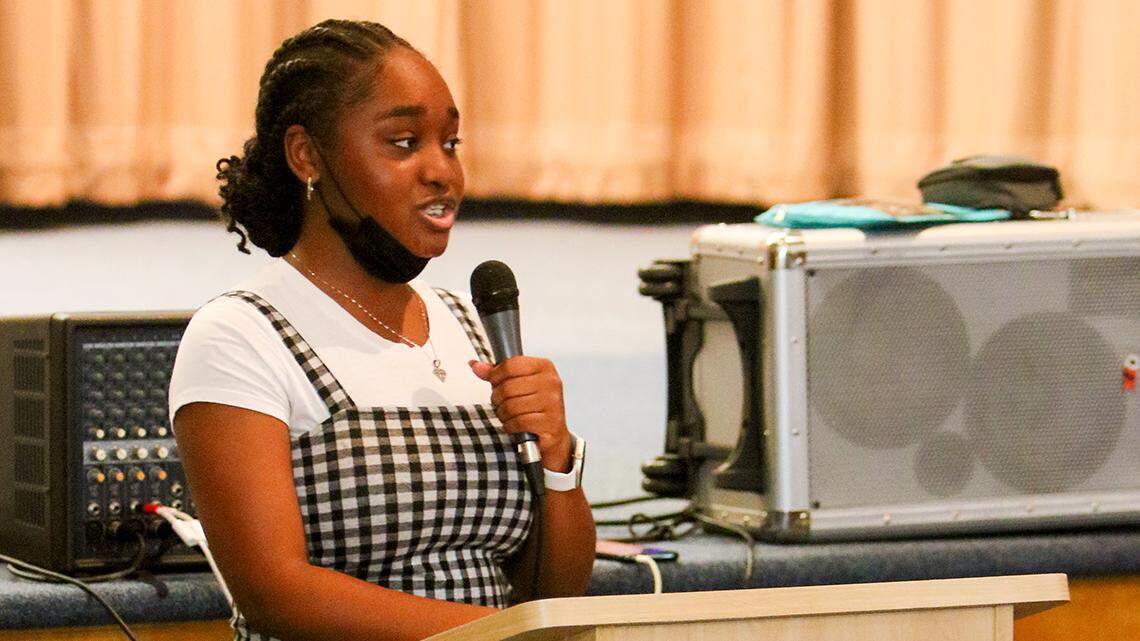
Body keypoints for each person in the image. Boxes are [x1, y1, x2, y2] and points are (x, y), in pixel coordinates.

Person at [168, 19, 595, 641]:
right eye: (402, 142)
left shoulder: (469, 326)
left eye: (450, 143)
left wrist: (557, 456)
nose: (441, 171)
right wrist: (506, 635)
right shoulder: (241, 335)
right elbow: (275, 595)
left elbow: (551, 593)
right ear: (307, 155)